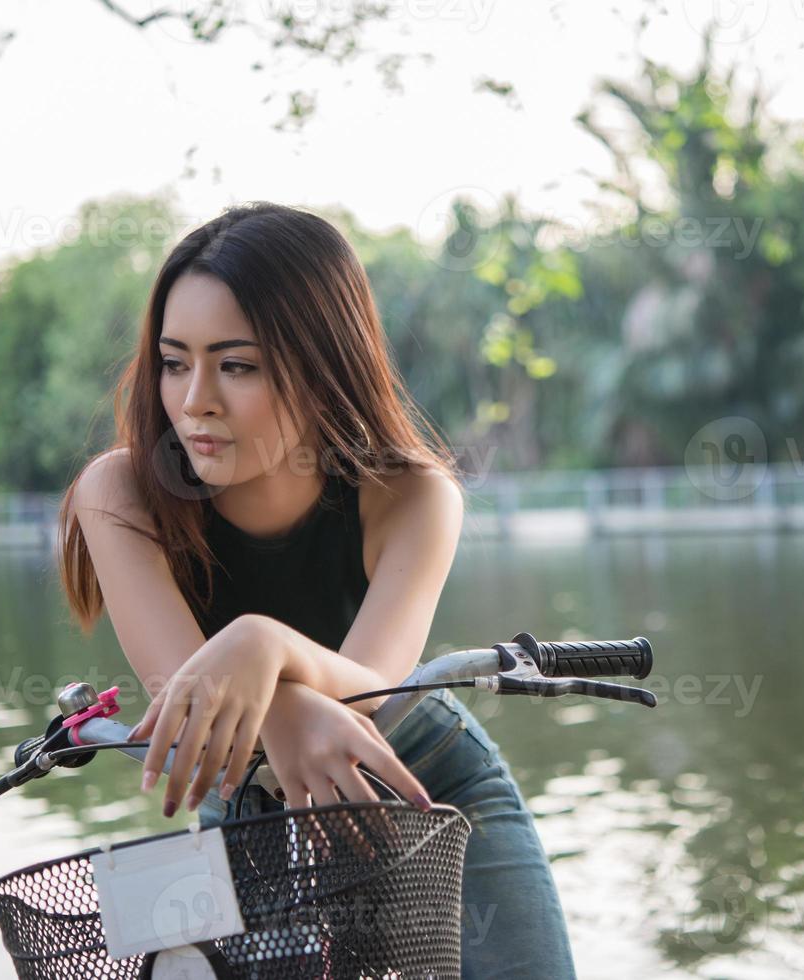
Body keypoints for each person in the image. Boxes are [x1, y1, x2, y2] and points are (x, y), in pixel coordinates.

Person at [54, 201, 576, 978]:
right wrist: (272, 680)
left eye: (237, 365)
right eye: (174, 362)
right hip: (247, 802)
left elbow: (366, 692)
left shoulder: (410, 494)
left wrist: (262, 644)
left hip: (425, 781)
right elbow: (185, 694)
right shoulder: (119, 491)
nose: (195, 398)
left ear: (322, 361)